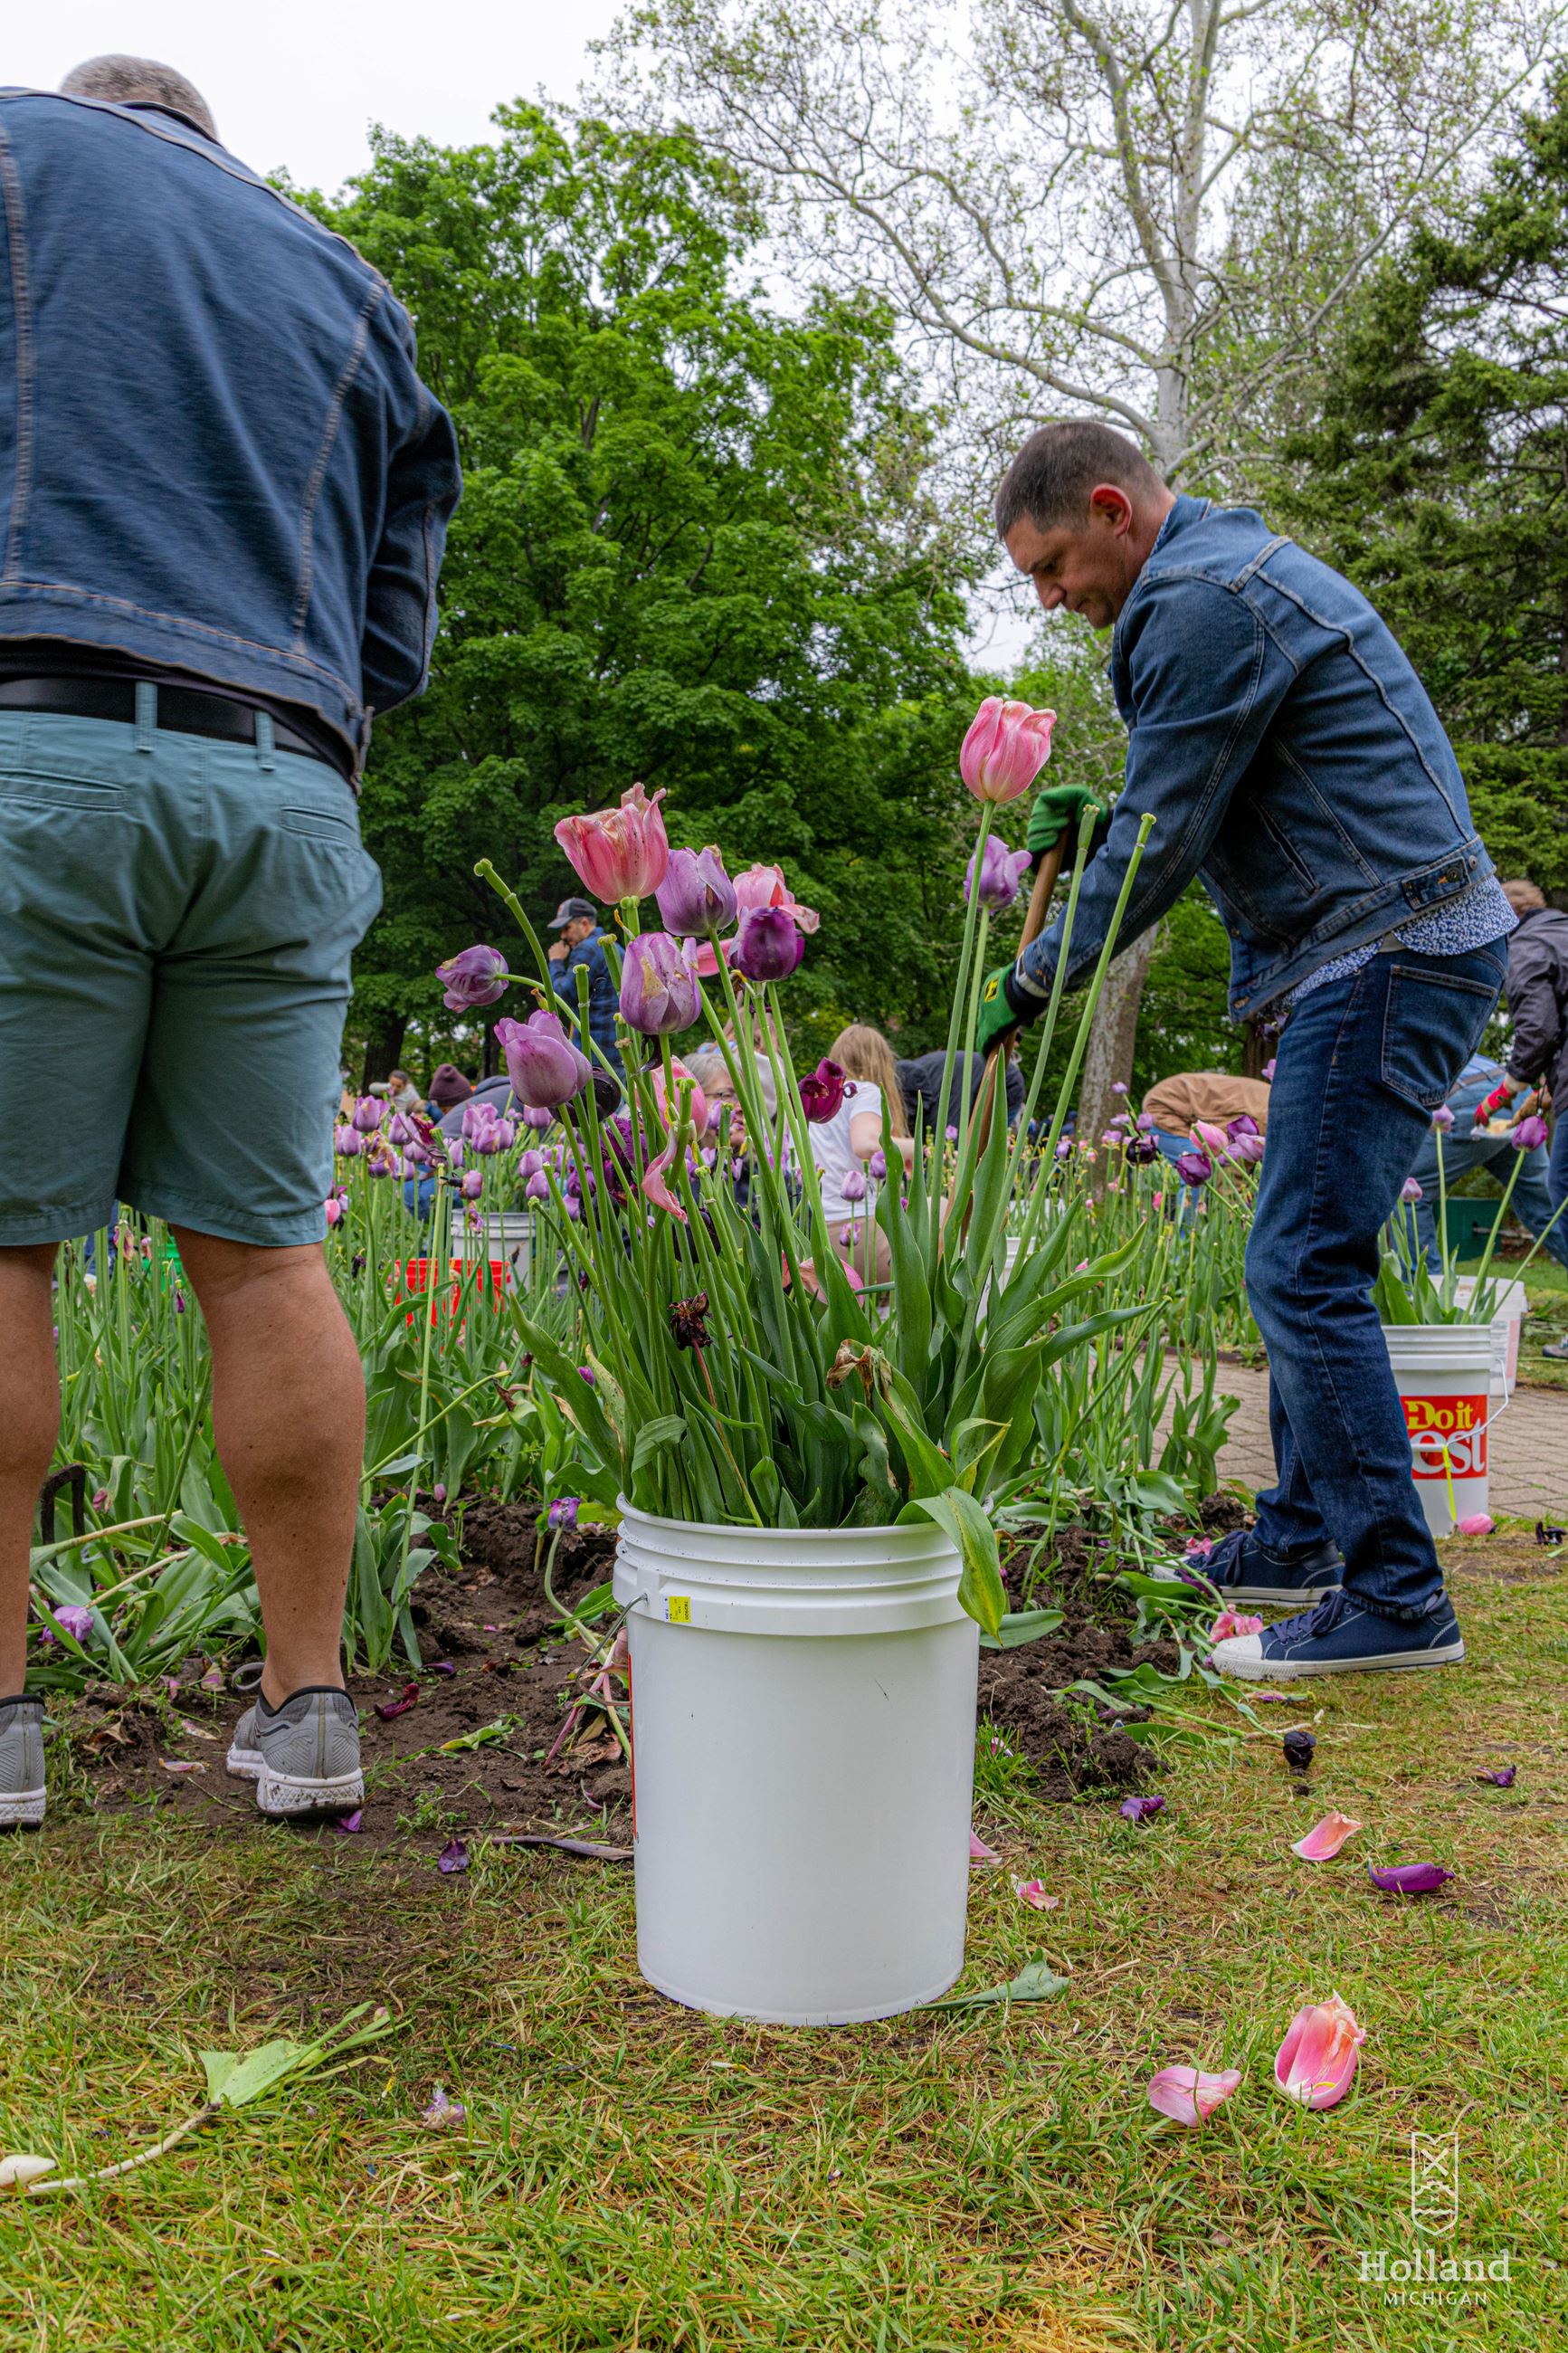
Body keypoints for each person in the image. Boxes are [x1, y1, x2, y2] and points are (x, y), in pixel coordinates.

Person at [0, 61, 461, 1830]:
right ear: (209, 140)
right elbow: (391, 643)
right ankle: (306, 1709)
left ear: (94, 107)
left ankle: (5, 1730)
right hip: (279, 785)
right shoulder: (349, 287)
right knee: (267, 1257)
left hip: (33, 738)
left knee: (6, 1248)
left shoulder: (18, 147)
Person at [976, 420, 1510, 1681]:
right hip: (1381, 940)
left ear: (1112, 507)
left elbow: (1162, 834)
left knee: (1298, 1263)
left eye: (1053, 568)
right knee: (1304, 1245)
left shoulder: (1202, 599)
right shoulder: (1222, 573)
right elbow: (1195, 788)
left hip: (1390, 943)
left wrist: (1037, 975)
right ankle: (1306, 1538)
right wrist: (1094, 818)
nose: (1054, 601)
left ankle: (1393, 1594)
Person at [1406, 1053, 1568, 1290]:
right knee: (1547, 1211)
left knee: (1408, 1192)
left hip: (1467, 1101)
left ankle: (1426, 1299)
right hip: (1512, 1092)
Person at [1469, 879, 1568, 1205]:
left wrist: (1503, 1093)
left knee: (1562, 1189)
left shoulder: (1527, 945)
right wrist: (1542, 1096)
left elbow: (1539, 1031)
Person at [810, 1026, 914, 1280]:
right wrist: (920, 1148)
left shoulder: (822, 1101)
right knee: (942, 1208)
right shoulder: (862, 1090)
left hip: (817, 1238)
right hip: (858, 1233)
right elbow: (866, 1144)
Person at [547, 895, 622, 1076]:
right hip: (620, 1050)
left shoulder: (588, 948)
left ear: (584, 924)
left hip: (597, 1056)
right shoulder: (617, 948)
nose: (563, 936)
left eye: (567, 928)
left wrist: (556, 961)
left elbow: (563, 995)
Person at [1141, 1071, 1271, 1165]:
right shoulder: (1268, 1117)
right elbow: (1238, 1155)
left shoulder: (1274, 1099)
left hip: (1179, 1097)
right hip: (1164, 1105)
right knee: (1197, 1169)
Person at [898, 1045, 1026, 1137]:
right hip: (973, 1079)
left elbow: (948, 1140)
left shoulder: (942, 1094)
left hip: (1004, 1082)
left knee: (984, 1149)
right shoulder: (909, 1081)